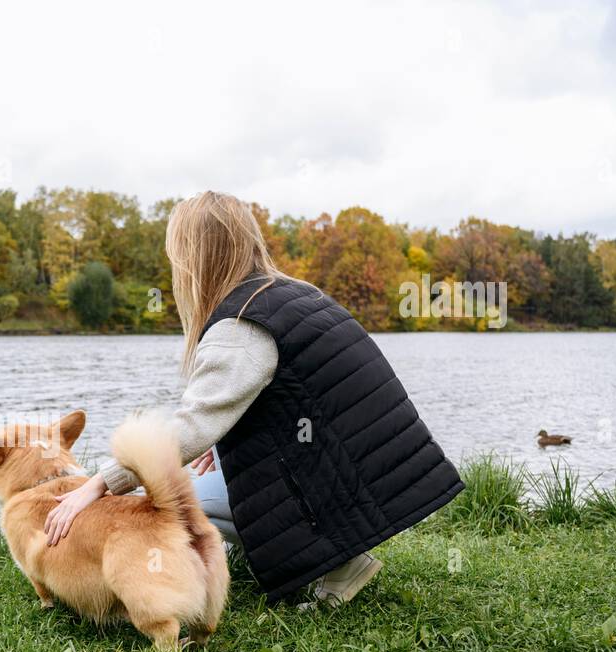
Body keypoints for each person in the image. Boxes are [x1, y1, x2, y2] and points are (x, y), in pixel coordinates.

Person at [43, 192, 464, 609]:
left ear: (194, 258)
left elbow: (188, 428)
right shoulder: (293, 295)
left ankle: (339, 561)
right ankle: (317, 551)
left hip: (342, 489)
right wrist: (219, 447)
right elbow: (286, 404)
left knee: (172, 501)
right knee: (211, 471)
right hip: (370, 477)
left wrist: (97, 486)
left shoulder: (241, 325)